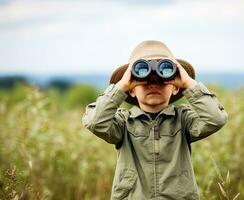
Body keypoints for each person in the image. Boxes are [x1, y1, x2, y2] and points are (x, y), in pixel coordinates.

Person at [82, 40, 228, 199]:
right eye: (143, 80)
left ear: (175, 87)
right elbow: (94, 122)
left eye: (162, 80)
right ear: (131, 91)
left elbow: (216, 119)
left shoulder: (183, 119)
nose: (153, 84)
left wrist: (187, 83)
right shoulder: (123, 122)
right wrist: (122, 85)